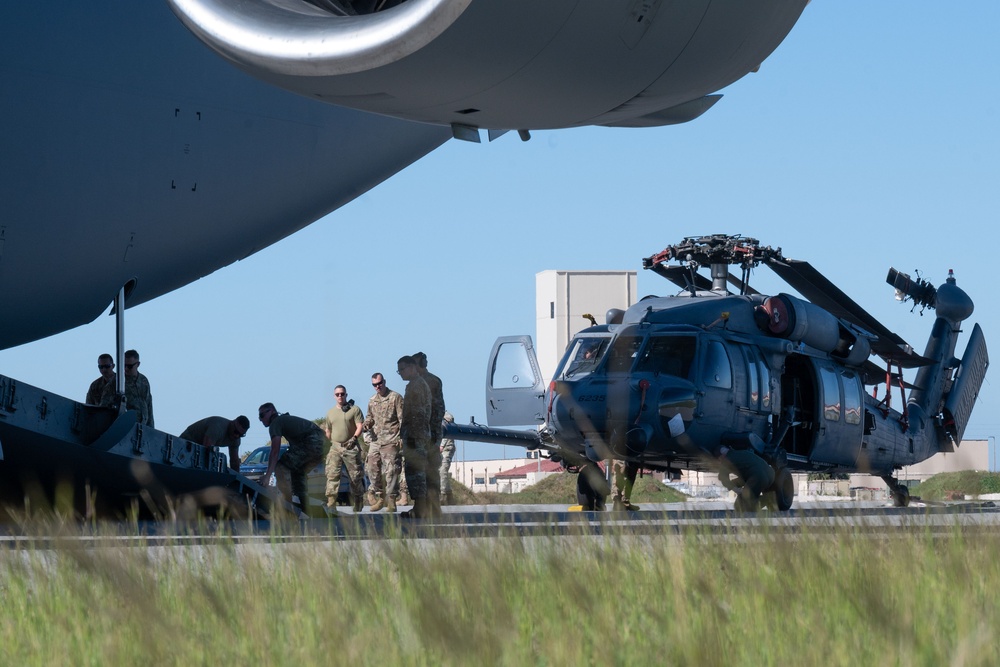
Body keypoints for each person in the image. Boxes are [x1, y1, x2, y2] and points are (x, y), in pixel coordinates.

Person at [257, 402, 326, 515]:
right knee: (297, 473)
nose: (261, 419)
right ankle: (307, 509)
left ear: (272, 411)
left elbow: (274, 452)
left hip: (313, 441)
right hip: (323, 445)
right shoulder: (284, 420)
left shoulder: (276, 423)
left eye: (262, 415)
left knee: (281, 466)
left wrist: (267, 476)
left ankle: (287, 507)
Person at [397, 355, 432, 518]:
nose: (401, 373)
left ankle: (420, 509)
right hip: (417, 434)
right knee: (415, 471)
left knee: (416, 471)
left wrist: (411, 436)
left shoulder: (416, 386)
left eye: (402, 369)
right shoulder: (416, 385)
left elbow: (417, 413)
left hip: (416, 435)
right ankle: (419, 508)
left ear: (412, 367)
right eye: (399, 371)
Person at [364, 372, 404, 512]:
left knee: (391, 470)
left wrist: (402, 438)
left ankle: (391, 499)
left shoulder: (395, 397)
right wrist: (366, 424)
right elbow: (370, 417)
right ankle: (380, 497)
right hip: (376, 440)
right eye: (374, 385)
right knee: (371, 469)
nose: (378, 387)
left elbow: (402, 420)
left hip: (391, 439)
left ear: (384, 382)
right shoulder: (372, 400)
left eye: (379, 383)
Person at [323, 385, 366, 512]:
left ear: (346, 395)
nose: (340, 396)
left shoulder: (354, 410)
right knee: (332, 475)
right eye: (337, 394)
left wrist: (354, 438)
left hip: (350, 446)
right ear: (334, 396)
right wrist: (327, 444)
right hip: (335, 447)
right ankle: (331, 502)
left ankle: (358, 499)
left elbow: (360, 426)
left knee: (355, 476)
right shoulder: (330, 413)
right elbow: (328, 430)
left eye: (342, 394)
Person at [413, 351, 445, 517]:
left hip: (427, 434)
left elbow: (434, 410)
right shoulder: (427, 380)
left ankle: (430, 508)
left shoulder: (427, 381)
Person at [180, 415, 250, 472]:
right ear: (232, 423)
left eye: (241, 435)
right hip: (186, 441)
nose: (236, 436)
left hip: (198, 450)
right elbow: (206, 450)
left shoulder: (236, 440)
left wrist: (236, 480)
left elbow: (234, 461)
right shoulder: (217, 427)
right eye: (236, 432)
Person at [102, 349, 154, 426]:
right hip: (125, 427)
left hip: (142, 427)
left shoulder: (144, 381)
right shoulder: (117, 382)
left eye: (129, 366)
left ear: (138, 364)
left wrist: (151, 430)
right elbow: (104, 406)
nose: (126, 369)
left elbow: (148, 405)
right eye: (124, 365)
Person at [716, 444, 775, 512]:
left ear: (721, 456)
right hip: (770, 475)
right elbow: (748, 472)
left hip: (758, 477)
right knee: (739, 506)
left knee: (743, 508)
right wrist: (735, 484)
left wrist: (736, 490)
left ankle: (768, 499)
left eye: (719, 459)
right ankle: (757, 499)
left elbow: (723, 478)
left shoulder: (726, 460)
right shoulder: (742, 452)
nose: (719, 461)